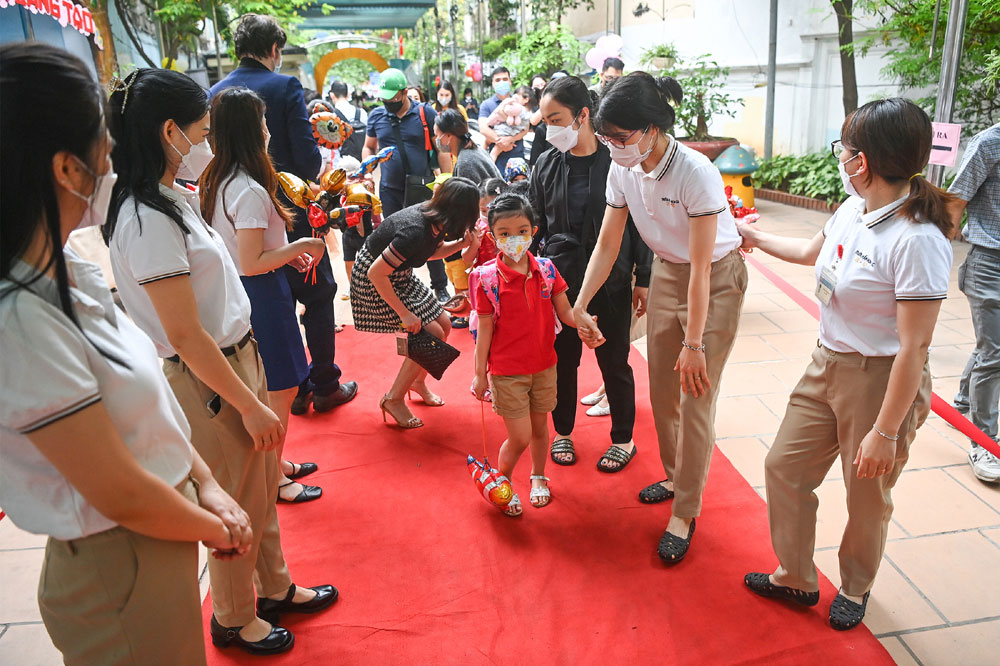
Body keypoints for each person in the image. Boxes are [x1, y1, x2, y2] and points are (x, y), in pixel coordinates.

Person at [0, 42, 252, 666]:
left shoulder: (67, 271)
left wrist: (204, 482)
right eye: (102, 145)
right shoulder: (21, 318)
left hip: (161, 533)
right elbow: (119, 491)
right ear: (67, 169)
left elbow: (148, 409)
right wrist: (216, 523)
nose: (112, 156)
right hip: (120, 559)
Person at [105, 68, 337, 656]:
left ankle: (275, 587)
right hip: (209, 377)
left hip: (237, 356)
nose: (207, 143)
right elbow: (184, 334)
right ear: (169, 132)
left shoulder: (169, 198)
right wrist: (248, 404)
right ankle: (234, 617)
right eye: (201, 131)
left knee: (259, 489)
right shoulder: (145, 218)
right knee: (235, 499)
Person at [739, 98, 953, 630]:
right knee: (784, 468)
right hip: (826, 362)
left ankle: (855, 587)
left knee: (866, 497)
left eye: (846, 149)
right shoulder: (852, 208)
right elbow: (814, 253)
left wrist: (885, 430)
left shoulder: (917, 239)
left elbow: (914, 347)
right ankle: (795, 574)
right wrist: (756, 238)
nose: (841, 157)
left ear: (864, 161)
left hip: (880, 381)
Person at [574, 72, 746, 563]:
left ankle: (686, 510)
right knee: (663, 388)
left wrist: (694, 344)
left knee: (695, 393)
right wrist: (581, 303)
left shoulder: (695, 172)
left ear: (651, 129)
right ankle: (675, 475)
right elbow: (609, 243)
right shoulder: (623, 167)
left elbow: (700, 269)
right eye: (607, 138)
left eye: (621, 138)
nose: (613, 147)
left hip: (713, 277)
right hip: (670, 270)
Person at [210, 14, 358, 417]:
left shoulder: (216, 92)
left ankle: (285, 386)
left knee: (265, 307)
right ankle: (324, 383)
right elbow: (309, 160)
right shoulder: (284, 86)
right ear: (274, 50)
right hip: (289, 213)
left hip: (230, 217)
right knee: (318, 294)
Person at [200, 87, 328, 504]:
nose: (269, 130)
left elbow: (246, 252)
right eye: (263, 122)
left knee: (271, 385)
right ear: (250, 131)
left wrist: (286, 258)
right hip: (259, 292)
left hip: (245, 287)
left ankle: (277, 463)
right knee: (280, 388)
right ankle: (273, 479)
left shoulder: (219, 178)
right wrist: (300, 248)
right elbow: (253, 261)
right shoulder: (249, 188)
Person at [531, 75, 652, 471]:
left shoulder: (619, 162)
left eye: (556, 118)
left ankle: (623, 439)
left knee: (614, 361)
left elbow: (639, 224)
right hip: (560, 285)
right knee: (562, 361)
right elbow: (536, 227)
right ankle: (563, 432)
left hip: (611, 277)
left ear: (582, 115)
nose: (549, 128)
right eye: (545, 119)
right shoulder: (546, 164)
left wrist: (644, 278)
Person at [471, 193, 577, 516]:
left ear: (533, 231)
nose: (513, 239)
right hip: (507, 372)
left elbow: (567, 312)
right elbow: (485, 330)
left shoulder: (546, 269)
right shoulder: (486, 279)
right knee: (519, 436)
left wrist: (584, 322)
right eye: (504, 233)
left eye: (521, 230)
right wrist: (479, 374)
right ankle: (503, 483)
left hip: (545, 366)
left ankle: (538, 475)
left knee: (541, 427)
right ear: (492, 236)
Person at [350, 178, 479, 427]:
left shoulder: (436, 219)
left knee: (444, 325)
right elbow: (376, 274)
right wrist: (405, 315)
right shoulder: (415, 229)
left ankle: (416, 382)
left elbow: (429, 252)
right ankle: (393, 399)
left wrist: (463, 243)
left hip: (399, 274)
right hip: (375, 281)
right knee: (429, 333)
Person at [364, 67, 453, 303]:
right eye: (384, 98)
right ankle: (401, 290)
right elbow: (369, 147)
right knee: (396, 242)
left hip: (422, 187)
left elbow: (442, 149)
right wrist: (367, 171)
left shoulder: (425, 113)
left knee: (431, 237)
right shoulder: (376, 116)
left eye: (392, 97)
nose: (388, 102)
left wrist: (446, 180)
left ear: (404, 92)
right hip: (390, 189)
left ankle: (440, 286)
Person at [947, 122, 1000, 484]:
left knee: (993, 346)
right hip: (990, 260)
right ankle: (984, 441)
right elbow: (956, 201)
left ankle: (965, 400)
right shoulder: (990, 143)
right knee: (995, 351)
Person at [434, 109, 503, 325]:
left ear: (448, 136)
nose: (437, 141)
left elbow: (470, 204)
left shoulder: (466, 161)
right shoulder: (470, 151)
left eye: (438, 135)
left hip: (489, 229)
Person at [479, 67, 530, 172]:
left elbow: (526, 127)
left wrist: (510, 140)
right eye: (497, 80)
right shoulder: (487, 104)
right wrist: (501, 142)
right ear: (493, 83)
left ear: (510, 82)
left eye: (505, 79)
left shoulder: (518, 102)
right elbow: (483, 128)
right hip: (496, 161)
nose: (501, 82)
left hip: (517, 156)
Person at [484, 85, 533, 164]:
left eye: (518, 95)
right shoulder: (511, 105)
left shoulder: (521, 111)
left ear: (526, 99)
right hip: (503, 136)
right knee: (488, 146)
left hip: (510, 143)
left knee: (493, 153)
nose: (515, 97)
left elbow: (524, 130)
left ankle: (488, 169)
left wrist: (508, 139)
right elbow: (483, 128)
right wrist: (502, 141)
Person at [328, 80, 368, 162]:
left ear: (331, 95)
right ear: (348, 94)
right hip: (362, 162)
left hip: (341, 164)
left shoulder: (332, 116)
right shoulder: (361, 112)